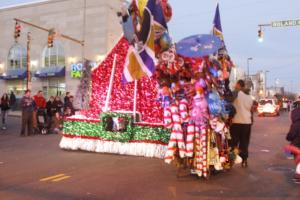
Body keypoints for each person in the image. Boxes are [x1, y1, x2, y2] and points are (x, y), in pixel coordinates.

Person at [229, 80, 254, 168]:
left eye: (236, 84)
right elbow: (251, 110)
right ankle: (244, 160)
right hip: (247, 123)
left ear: (239, 85)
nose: (235, 86)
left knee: (233, 142)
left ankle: (232, 160)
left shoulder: (236, 93)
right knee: (244, 143)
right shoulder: (249, 97)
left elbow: (229, 101)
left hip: (236, 122)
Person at [286, 106, 300, 184]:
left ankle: (298, 175)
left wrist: (288, 137)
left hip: (296, 146)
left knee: (298, 160)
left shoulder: (295, 124)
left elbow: (290, 136)